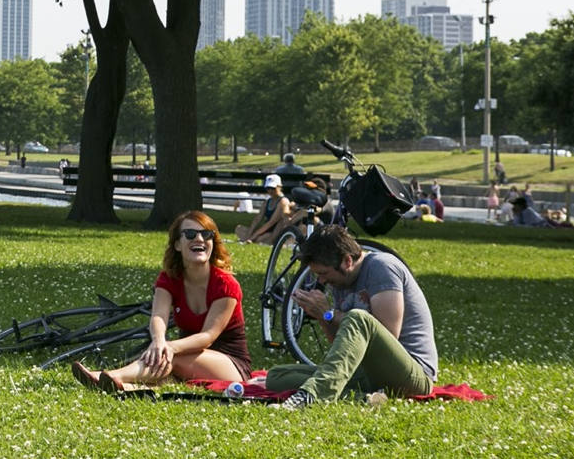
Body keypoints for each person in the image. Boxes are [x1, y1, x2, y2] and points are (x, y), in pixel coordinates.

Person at [73, 211, 250, 391]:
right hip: (188, 355)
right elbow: (158, 316)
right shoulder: (169, 279)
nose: (199, 239)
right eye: (190, 234)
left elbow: (208, 336)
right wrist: (158, 341)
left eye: (206, 235)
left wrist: (169, 347)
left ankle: (110, 375)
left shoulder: (226, 285)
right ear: (177, 245)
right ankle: (124, 386)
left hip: (230, 364)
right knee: (163, 359)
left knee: (169, 357)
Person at [267, 225, 438, 408]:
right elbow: (346, 349)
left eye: (323, 273)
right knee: (276, 376)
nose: (321, 281)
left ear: (347, 261)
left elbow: (388, 334)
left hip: (412, 374)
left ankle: (312, 396)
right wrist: (322, 316)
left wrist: (329, 313)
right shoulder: (340, 281)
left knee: (358, 317)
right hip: (368, 372)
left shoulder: (382, 267)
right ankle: (364, 399)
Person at [235, 174, 299, 245]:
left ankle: (261, 240)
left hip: (276, 229)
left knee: (260, 238)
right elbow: (257, 219)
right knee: (239, 229)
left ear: (279, 187)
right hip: (266, 229)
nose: (270, 190)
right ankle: (255, 239)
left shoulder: (283, 201)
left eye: (273, 188)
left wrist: (254, 236)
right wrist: (249, 234)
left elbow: (271, 222)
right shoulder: (267, 202)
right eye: (268, 188)